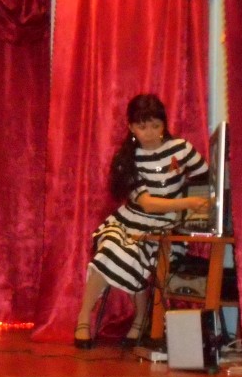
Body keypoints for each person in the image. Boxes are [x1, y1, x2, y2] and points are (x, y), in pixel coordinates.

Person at [74, 94, 209, 349]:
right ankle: (83, 317)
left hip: (166, 228)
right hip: (129, 221)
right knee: (110, 247)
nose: (150, 133)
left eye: (155, 126)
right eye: (142, 126)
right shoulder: (128, 159)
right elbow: (147, 203)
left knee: (142, 254)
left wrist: (197, 207)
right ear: (131, 127)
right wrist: (187, 203)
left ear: (164, 124)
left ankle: (139, 320)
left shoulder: (181, 149)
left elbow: (207, 178)